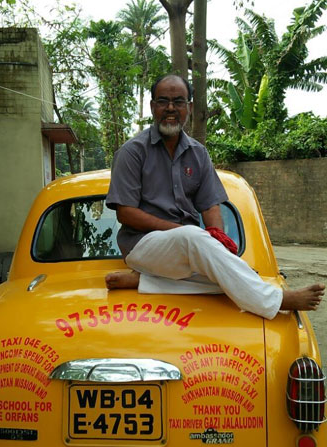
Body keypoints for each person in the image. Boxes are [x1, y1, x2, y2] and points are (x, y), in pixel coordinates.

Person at [105, 74, 324, 319]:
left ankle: (146, 282)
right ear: (152, 106)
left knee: (238, 275)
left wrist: (217, 238)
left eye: (178, 102)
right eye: (163, 101)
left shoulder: (198, 153)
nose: (170, 108)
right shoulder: (132, 152)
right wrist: (182, 231)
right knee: (207, 250)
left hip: (189, 248)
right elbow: (125, 213)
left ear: (188, 107)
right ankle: (278, 299)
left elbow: (210, 206)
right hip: (143, 246)